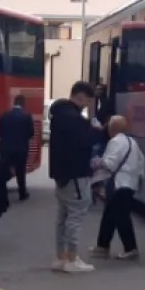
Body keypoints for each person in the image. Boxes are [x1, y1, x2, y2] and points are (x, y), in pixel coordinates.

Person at [48, 81, 101, 273]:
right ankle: (72, 258)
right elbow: (84, 143)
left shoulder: (59, 115)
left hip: (61, 175)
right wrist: (95, 131)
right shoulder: (74, 119)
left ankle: (60, 257)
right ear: (80, 96)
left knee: (62, 217)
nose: (87, 104)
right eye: (87, 100)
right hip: (76, 174)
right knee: (76, 215)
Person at [89, 115, 144, 261]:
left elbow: (110, 164)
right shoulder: (132, 142)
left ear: (112, 128)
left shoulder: (115, 142)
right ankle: (102, 246)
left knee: (121, 217)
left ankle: (131, 248)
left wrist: (98, 162)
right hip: (129, 183)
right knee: (110, 216)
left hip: (118, 184)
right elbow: (141, 162)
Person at [0, 94, 34, 201]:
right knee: (20, 171)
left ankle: (2, 194)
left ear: (14, 102)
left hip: (6, 148)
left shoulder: (5, 115)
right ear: (23, 103)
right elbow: (31, 133)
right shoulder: (27, 116)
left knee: (4, 170)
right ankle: (22, 193)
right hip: (21, 149)